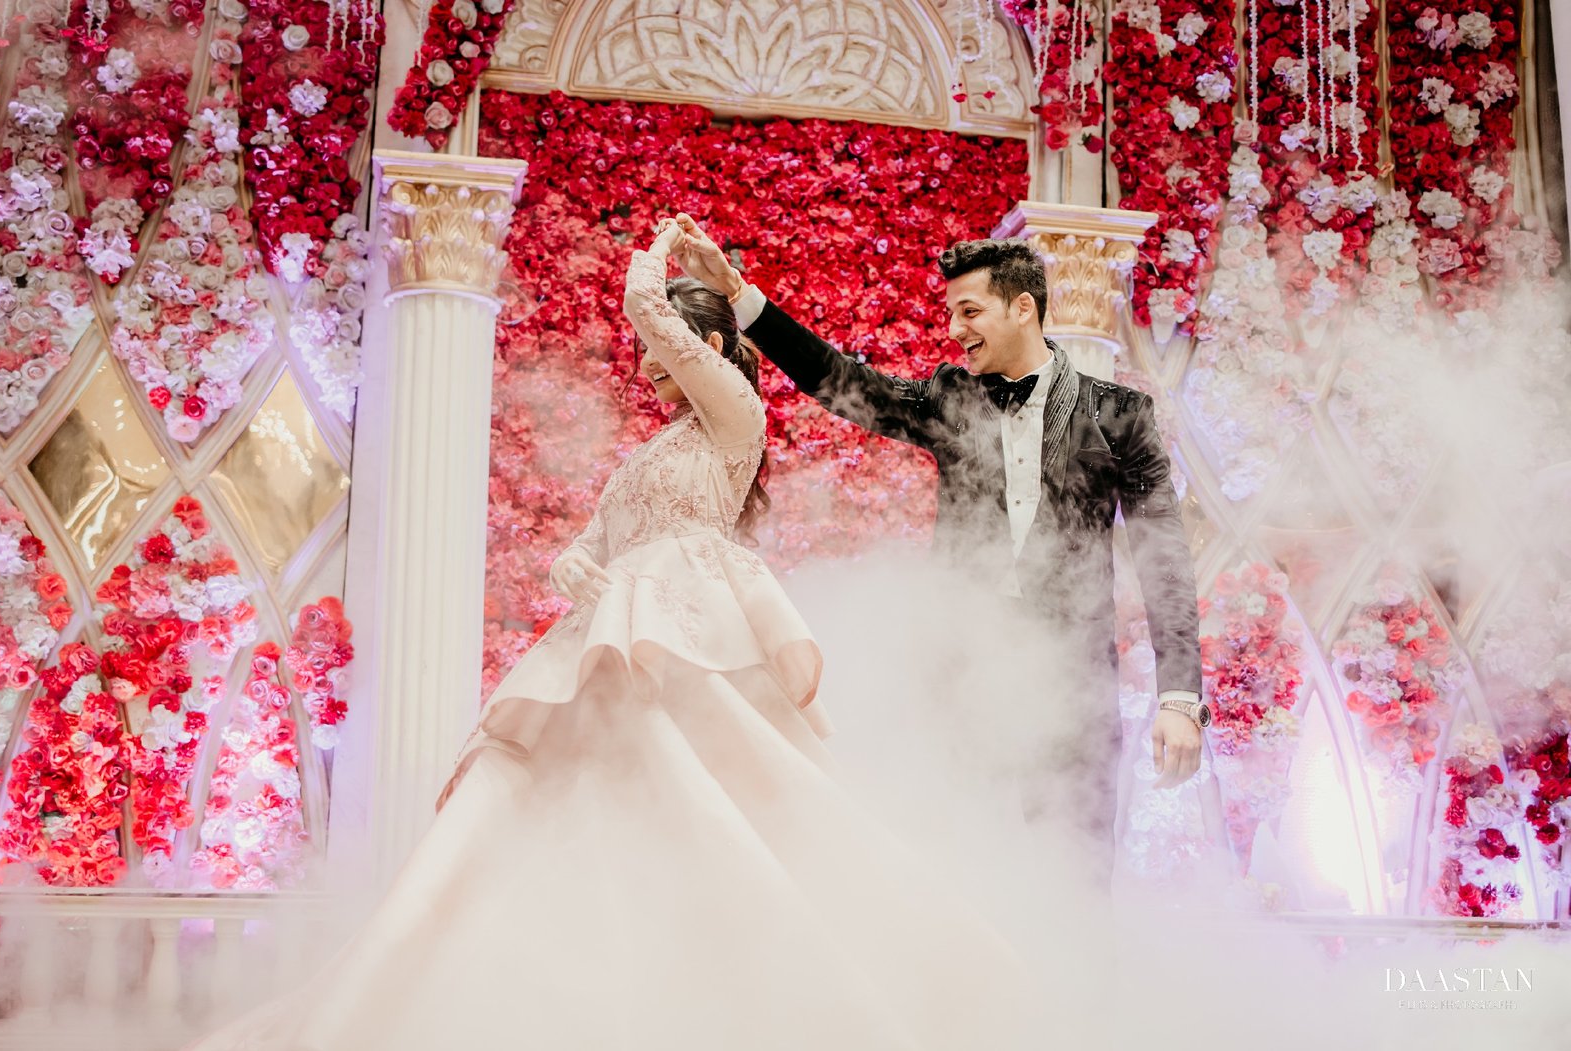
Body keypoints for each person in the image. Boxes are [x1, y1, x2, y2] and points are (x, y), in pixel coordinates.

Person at [187, 220, 1034, 1050]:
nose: (645, 366)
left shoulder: (735, 414)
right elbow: (590, 543)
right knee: (548, 815)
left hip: (688, 636)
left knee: (722, 804)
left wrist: (662, 250)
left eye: (664, 352)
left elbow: (650, 311)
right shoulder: (650, 451)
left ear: (702, 340)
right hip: (610, 636)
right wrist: (574, 568)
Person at [669, 218, 1208, 870]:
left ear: (1023, 307)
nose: (954, 329)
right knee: (958, 871)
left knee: (1075, 874)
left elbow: (1165, 559)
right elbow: (842, 382)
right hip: (960, 687)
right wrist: (740, 296)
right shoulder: (950, 397)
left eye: (969, 310)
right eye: (950, 311)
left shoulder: (1121, 414)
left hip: (1072, 698)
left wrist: (1178, 699)